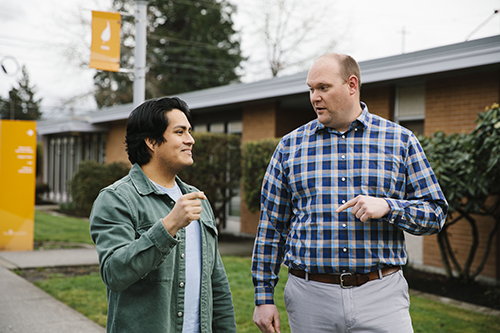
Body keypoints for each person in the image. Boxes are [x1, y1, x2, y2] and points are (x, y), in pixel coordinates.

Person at [251, 53, 448, 333]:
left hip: (381, 296)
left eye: (323, 87)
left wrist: (390, 207)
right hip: (309, 298)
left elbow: (435, 213)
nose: (314, 97)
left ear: (351, 85)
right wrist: (263, 296)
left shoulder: (400, 141)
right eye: (311, 89)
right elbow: (271, 226)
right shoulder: (289, 147)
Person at [90, 97, 237, 333]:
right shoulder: (116, 199)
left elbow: (216, 281)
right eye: (180, 132)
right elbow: (114, 273)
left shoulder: (196, 199)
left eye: (189, 131)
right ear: (151, 141)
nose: (191, 140)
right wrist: (169, 226)